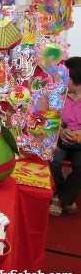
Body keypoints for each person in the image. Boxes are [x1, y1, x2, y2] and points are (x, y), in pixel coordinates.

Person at [49, 56, 81, 217]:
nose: (63, 80)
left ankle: (60, 198)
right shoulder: (59, 93)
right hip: (60, 137)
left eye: (66, 77)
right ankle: (64, 195)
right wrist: (60, 130)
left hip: (80, 142)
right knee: (53, 159)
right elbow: (49, 116)